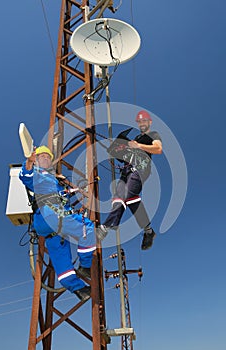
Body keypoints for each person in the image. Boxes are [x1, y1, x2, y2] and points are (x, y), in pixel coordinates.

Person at [19, 145, 96, 302]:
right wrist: (29, 162)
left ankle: (78, 289)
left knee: (60, 257)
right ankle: (85, 266)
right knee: (88, 228)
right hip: (52, 215)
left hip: (46, 225)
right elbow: (25, 176)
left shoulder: (51, 178)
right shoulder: (38, 173)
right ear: (36, 160)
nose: (46, 159)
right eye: (42, 157)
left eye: (48, 157)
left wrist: (62, 184)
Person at [97, 110, 162, 250]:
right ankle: (149, 231)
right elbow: (125, 154)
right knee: (121, 198)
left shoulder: (153, 135)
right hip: (126, 170)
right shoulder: (136, 138)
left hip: (140, 168)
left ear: (149, 122)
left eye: (144, 121)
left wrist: (138, 146)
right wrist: (118, 149)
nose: (142, 124)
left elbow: (158, 149)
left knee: (127, 195)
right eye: (139, 122)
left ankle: (106, 227)